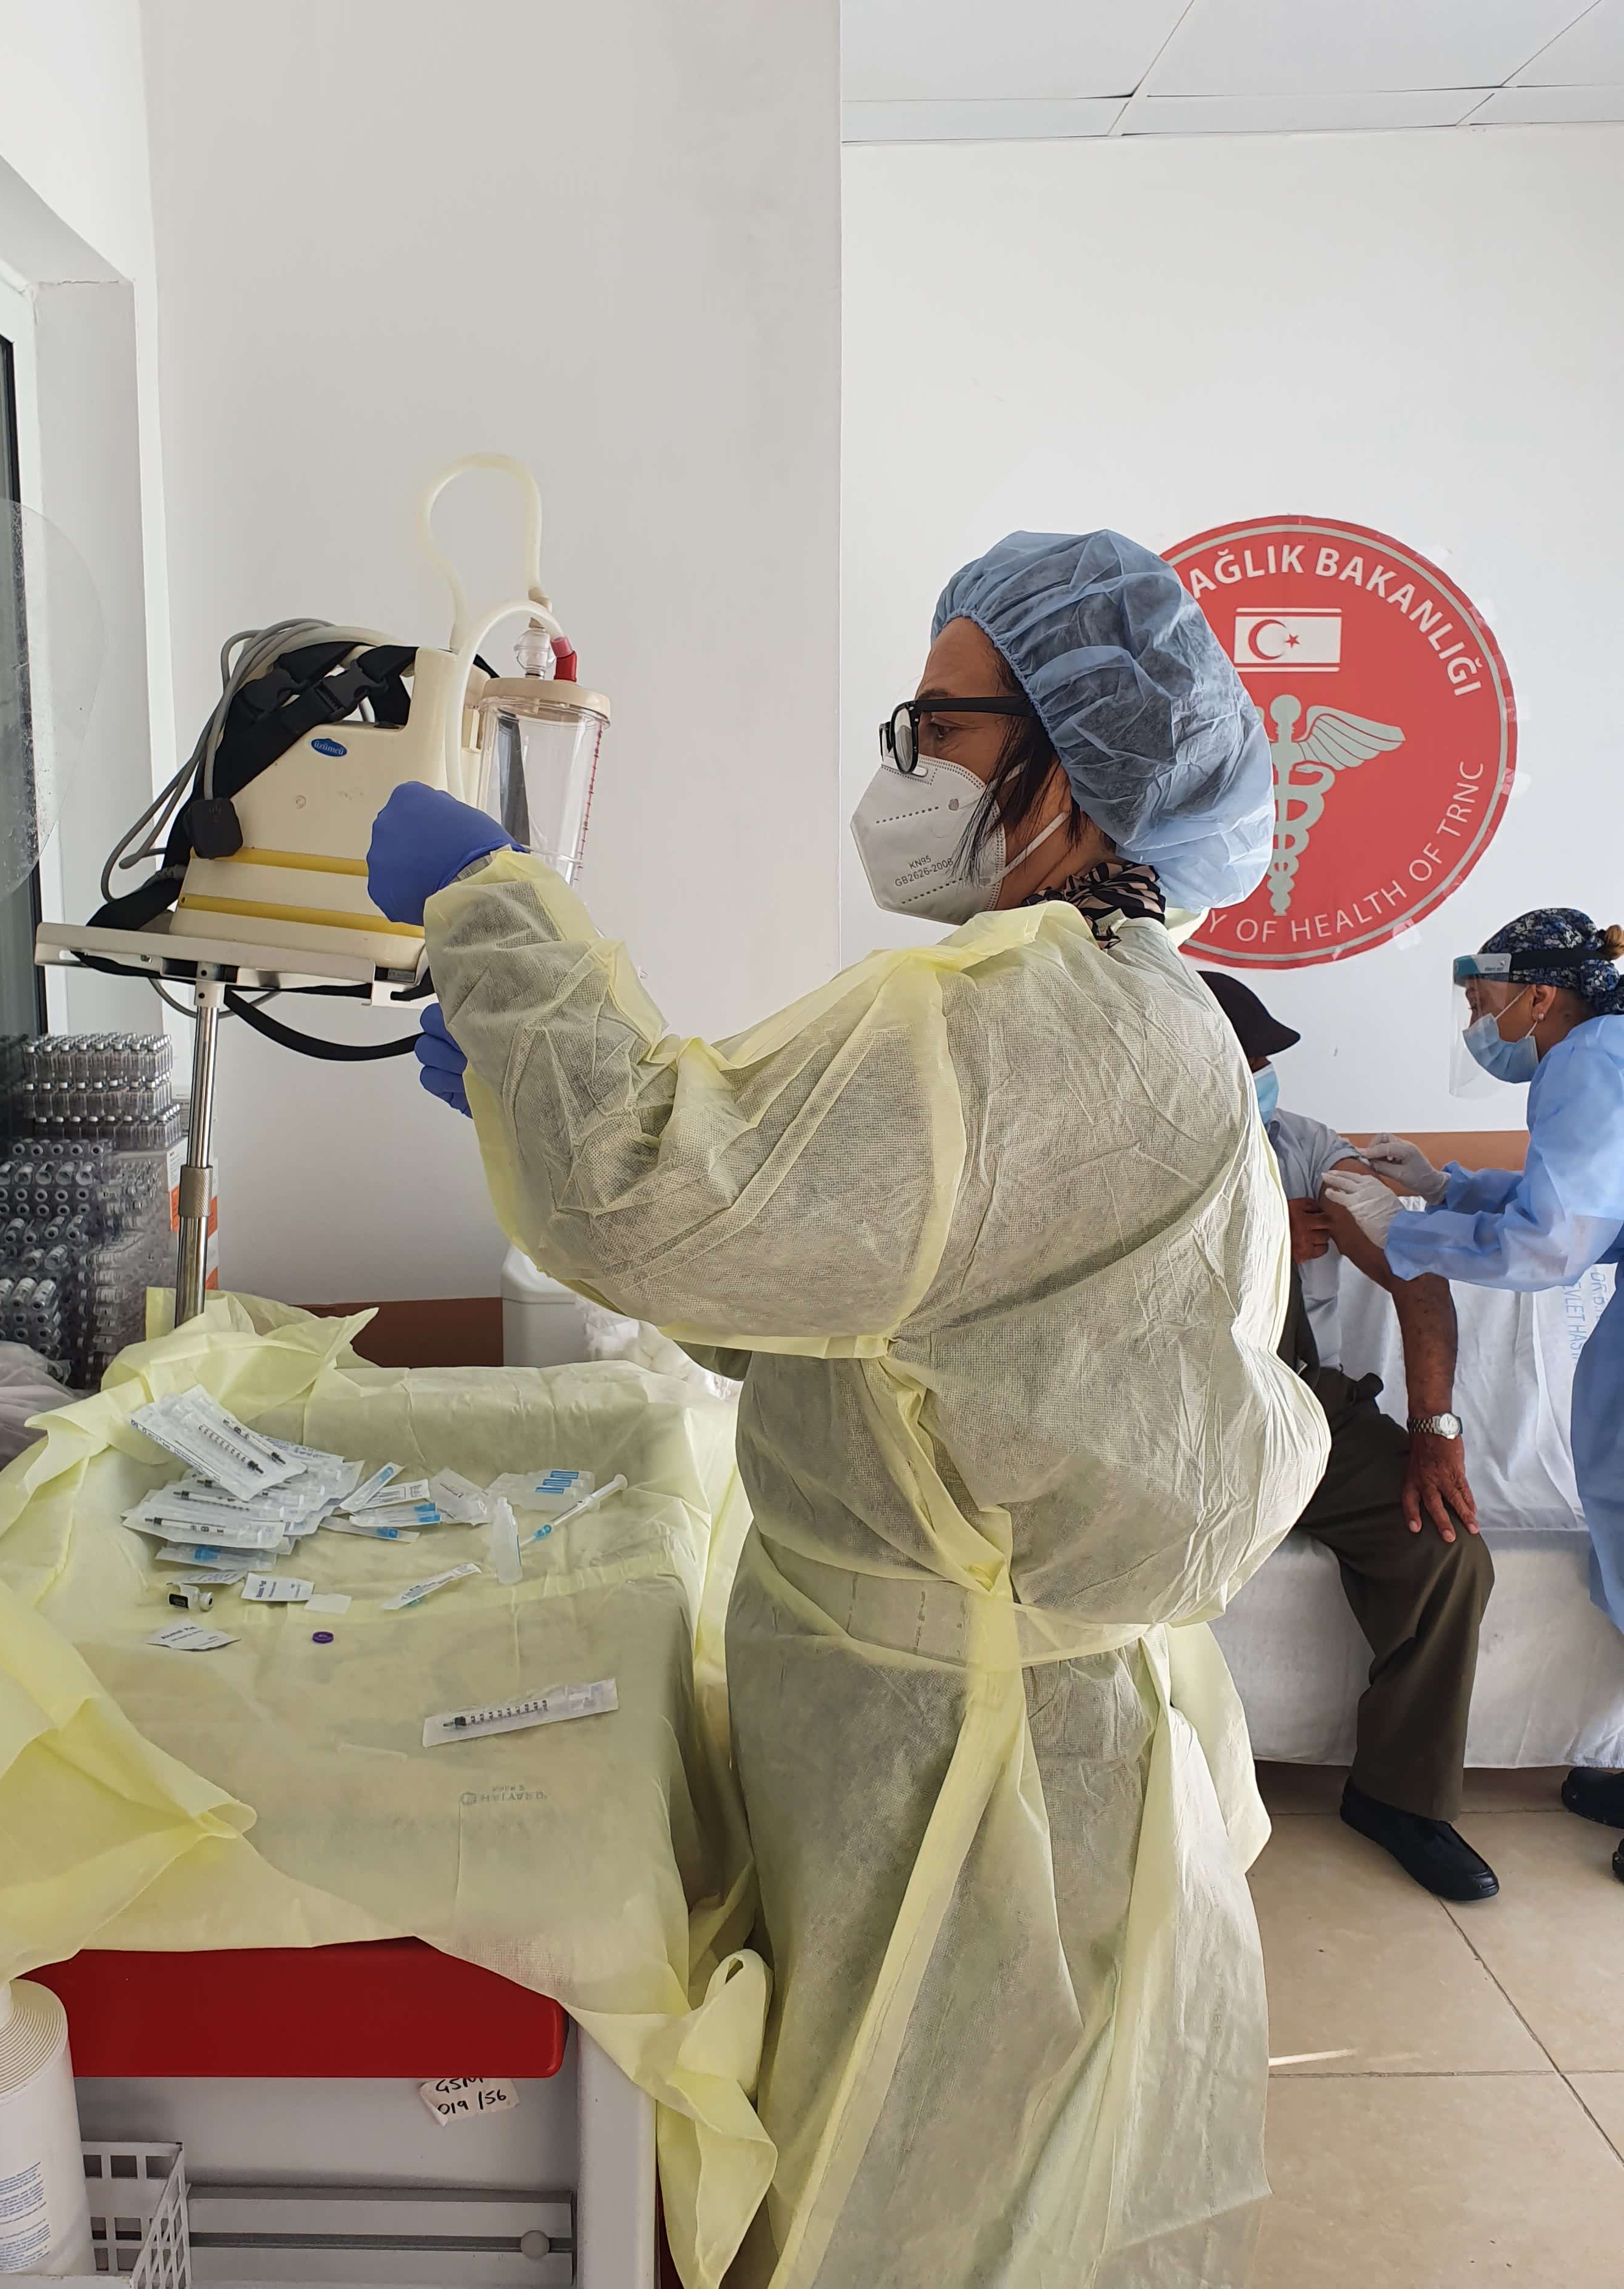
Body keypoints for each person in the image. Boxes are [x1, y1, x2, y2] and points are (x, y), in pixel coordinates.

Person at [367, 528, 1328, 2289]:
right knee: (962, 2172)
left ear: (1075, 766)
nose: (906, 768)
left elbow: (651, 1203)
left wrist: (499, 917)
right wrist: (530, 1098)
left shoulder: (1015, 1031)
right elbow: (883, 1320)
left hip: (974, 1764)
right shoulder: (1111, 1009)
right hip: (973, 1718)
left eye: (939, 726)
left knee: (923, 2205)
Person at [1324, 908, 1624, 1886]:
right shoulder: (1606, 1056)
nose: (1476, 1024)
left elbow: (1551, 1245)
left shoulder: (1590, 1062)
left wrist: (1402, 1236)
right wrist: (1444, 1188)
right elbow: (1587, 1210)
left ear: (1540, 995)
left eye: (1482, 1002)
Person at [1199, 972, 1496, 1900]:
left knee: (1443, 1549)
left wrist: (1434, 1430)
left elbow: (1410, 1269)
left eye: (1265, 1061)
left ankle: (1399, 1797)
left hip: (1299, 1398)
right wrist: (1250, 1244)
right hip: (1170, 1403)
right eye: (1243, 1060)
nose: (1261, 1077)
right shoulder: (1115, 1147)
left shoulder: (1301, 1146)